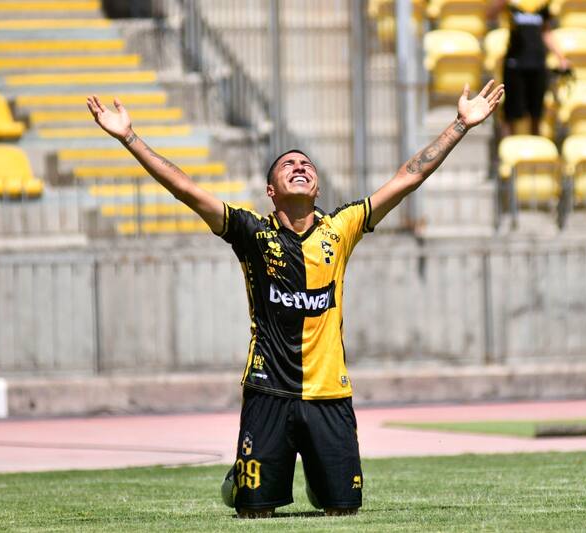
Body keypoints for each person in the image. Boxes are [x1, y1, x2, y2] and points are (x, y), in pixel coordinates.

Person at [86, 80, 504, 518]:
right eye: (287, 165)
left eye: (306, 164)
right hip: (268, 392)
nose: (299, 167)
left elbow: (409, 177)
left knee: (343, 510)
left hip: (329, 394)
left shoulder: (340, 228)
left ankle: (320, 480)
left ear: (318, 187)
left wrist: (460, 124)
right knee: (253, 514)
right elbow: (187, 190)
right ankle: (253, 477)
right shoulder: (251, 232)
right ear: (271, 190)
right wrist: (130, 138)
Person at [487, 0, 568, 137]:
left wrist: (561, 57)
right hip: (514, 62)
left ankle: (535, 150)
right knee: (510, 114)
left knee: (536, 113)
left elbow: (546, 31)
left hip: (538, 62)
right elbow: (490, 15)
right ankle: (508, 148)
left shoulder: (540, 4)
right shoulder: (512, 4)